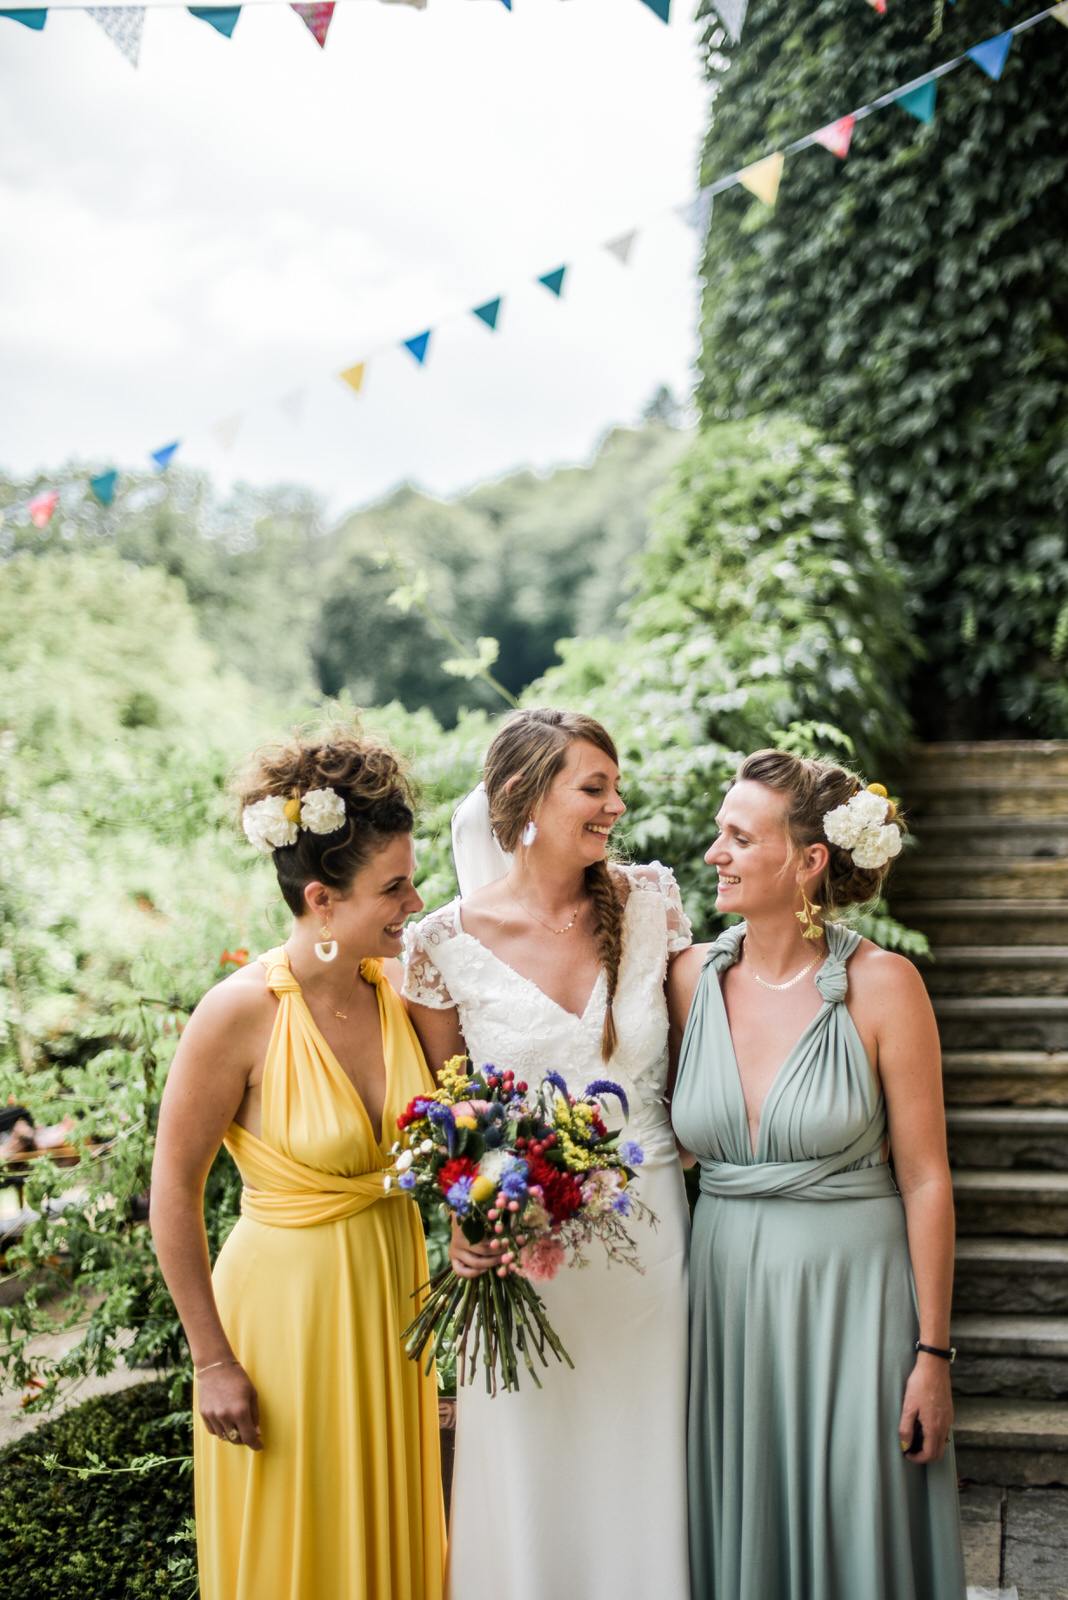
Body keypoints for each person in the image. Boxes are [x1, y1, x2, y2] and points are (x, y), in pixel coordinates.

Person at [150, 726, 446, 1600]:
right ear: (321, 897)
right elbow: (172, 1191)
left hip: (394, 1300)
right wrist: (212, 1360)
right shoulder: (236, 1014)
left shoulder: (401, 991)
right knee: (298, 1543)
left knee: (389, 1533)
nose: (413, 901)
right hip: (280, 1320)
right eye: (393, 887)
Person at [403, 707, 692, 1600]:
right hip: (526, 1263)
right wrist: (463, 1222)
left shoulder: (650, 904)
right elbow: (450, 1123)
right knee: (532, 1476)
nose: (616, 805)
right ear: (523, 798)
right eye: (593, 787)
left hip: (650, 1252)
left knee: (648, 1464)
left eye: (616, 786)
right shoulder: (440, 944)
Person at [669, 748, 966, 1600]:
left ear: (809, 862)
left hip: (855, 1304)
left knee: (853, 1522)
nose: (714, 853)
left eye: (738, 836)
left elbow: (927, 1180)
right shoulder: (690, 979)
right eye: (719, 833)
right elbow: (656, 1143)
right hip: (723, 1304)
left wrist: (933, 1353)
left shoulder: (883, 986)